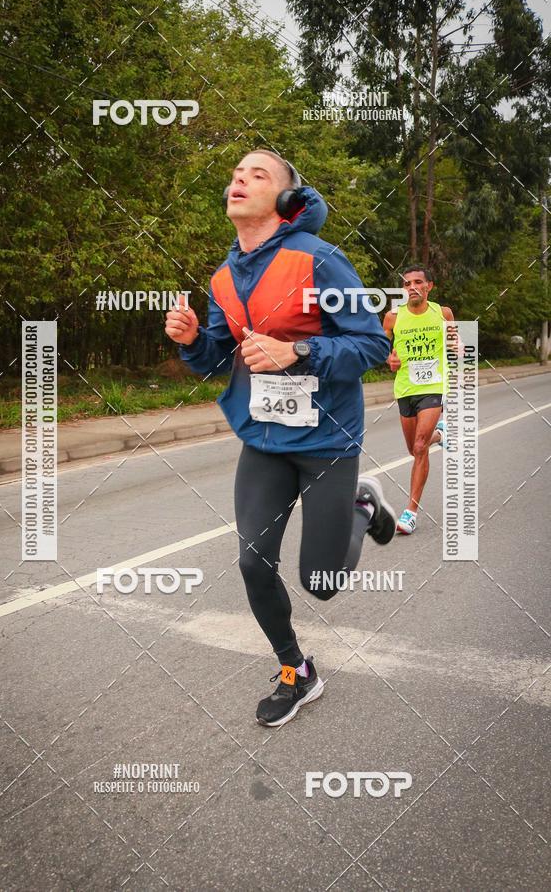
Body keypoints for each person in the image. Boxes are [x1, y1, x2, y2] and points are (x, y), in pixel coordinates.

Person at [165, 149, 395, 727]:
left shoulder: (319, 260)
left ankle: (363, 506)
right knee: (252, 563)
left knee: (321, 583)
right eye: (236, 174)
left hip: (326, 441)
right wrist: (193, 341)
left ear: (286, 199)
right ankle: (297, 670)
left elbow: (371, 344)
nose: (240, 180)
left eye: (257, 174)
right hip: (265, 441)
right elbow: (217, 358)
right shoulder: (223, 277)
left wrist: (299, 350)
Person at [383, 264, 454, 535]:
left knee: (420, 446)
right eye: (407, 283)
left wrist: (457, 347)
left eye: (417, 282)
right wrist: (389, 360)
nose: (412, 287)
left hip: (433, 386)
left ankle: (410, 512)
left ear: (429, 286)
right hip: (405, 388)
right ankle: (440, 434)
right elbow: (382, 348)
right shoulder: (392, 317)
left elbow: (455, 343)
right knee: (413, 449)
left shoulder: (443, 313)